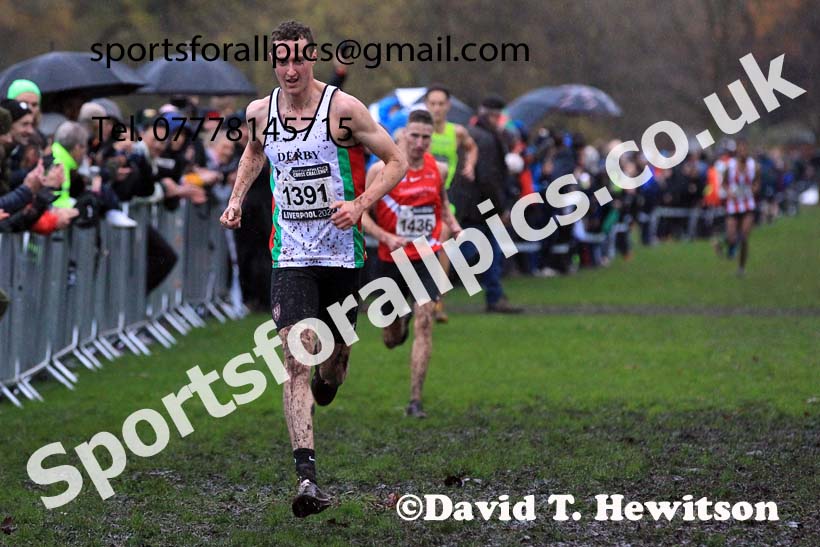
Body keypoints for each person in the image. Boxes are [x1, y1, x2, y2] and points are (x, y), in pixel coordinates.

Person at [219, 20, 407, 518]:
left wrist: (360, 203)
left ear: (313, 57)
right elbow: (254, 152)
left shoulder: (342, 111)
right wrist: (236, 199)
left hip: (342, 256)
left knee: (333, 366)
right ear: (273, 62)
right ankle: (307, 479)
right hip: (293, 257)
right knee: (296, 361)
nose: (290, 68)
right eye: (281, 59)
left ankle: (330, 379)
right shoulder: (260, 112)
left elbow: (395, 160)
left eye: (299, 57)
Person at [361, 110, 461, 418]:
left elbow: (441, 203)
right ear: (402, 135)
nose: (419, 143)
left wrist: (453, 224)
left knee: (425, 321)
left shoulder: (439, 169)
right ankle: (397, 323)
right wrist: (384, 236)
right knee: (391, 339)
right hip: (390, 260)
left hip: (425, 256)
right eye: (414, 136)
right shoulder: (380, 170)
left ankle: (415, 401)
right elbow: (361, 214)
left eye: (426, 137)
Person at [424, 84, 477, 323]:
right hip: (418, 198)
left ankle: (438, 300)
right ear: (426, 105)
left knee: (442, 241)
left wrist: (469, 165)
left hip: (445, 198)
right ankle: (416, 297)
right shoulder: (416, 132)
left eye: (440, 104)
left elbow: (471, 146)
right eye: (432, 103)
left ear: (448, 106)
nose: (436, 108)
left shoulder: (456, 132)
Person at [715, 141, 757, 276]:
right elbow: (724, 184)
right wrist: (729, 193)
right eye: (741, 150)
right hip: (733, 205)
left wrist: (753, 190)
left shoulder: (754, 166)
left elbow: (758, 183)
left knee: (744, 237)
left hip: (748, 204)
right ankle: (723, 243)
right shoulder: (730, 166)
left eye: (745, 149)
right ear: (737, 151)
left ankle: (741, 268)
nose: (743, 152)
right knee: (732, 237)